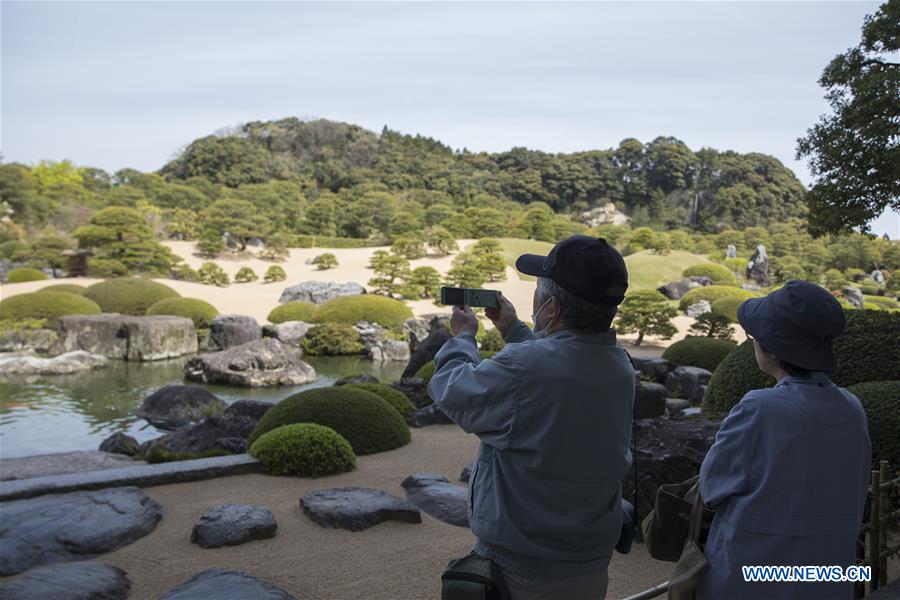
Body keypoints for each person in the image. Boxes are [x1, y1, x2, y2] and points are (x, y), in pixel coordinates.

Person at [427, 235, 635, 600]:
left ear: (551, 307)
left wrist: (463, 339)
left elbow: (451, 390)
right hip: (589, 558)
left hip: (524, 566)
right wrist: (513, 329)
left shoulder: (526, 367)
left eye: (539, 291)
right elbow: (561, 361)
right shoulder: (619, 365)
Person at [697, 280, 871, 599]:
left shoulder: (760, 408)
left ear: (773, 348)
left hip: (752, 577)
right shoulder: (853, 407)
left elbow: (711, 489)